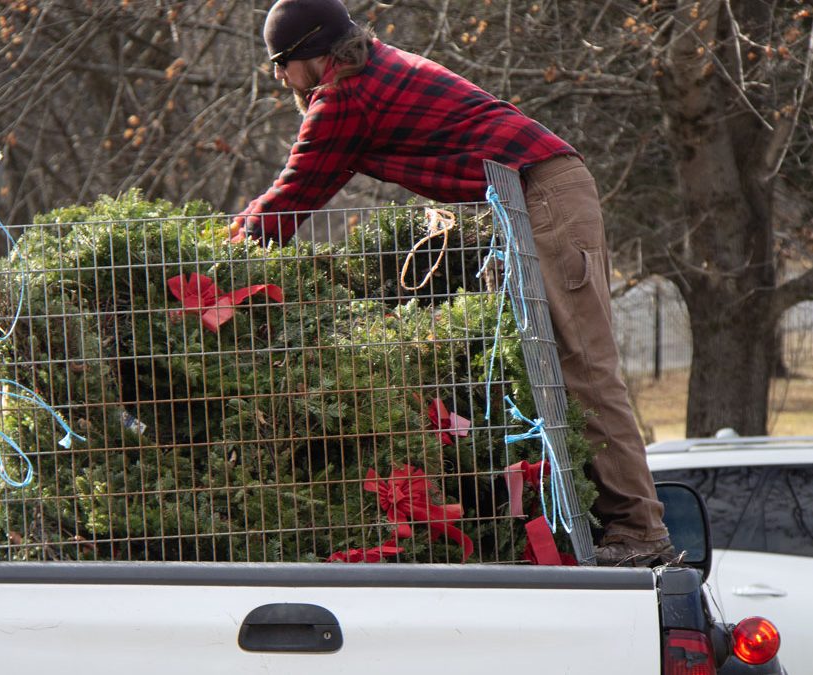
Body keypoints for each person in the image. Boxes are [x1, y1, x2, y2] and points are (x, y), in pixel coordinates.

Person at [231, 0, 673, 567]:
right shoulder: (373, 69)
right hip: (530, 195)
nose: (277, 77)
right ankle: (606, 523)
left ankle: (640, 531)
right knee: (554, 370)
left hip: (543, 196)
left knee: (585, 369)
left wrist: (222, 257)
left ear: (313, 55)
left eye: (281, 62)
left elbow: (295, 191)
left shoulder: (344, 96)